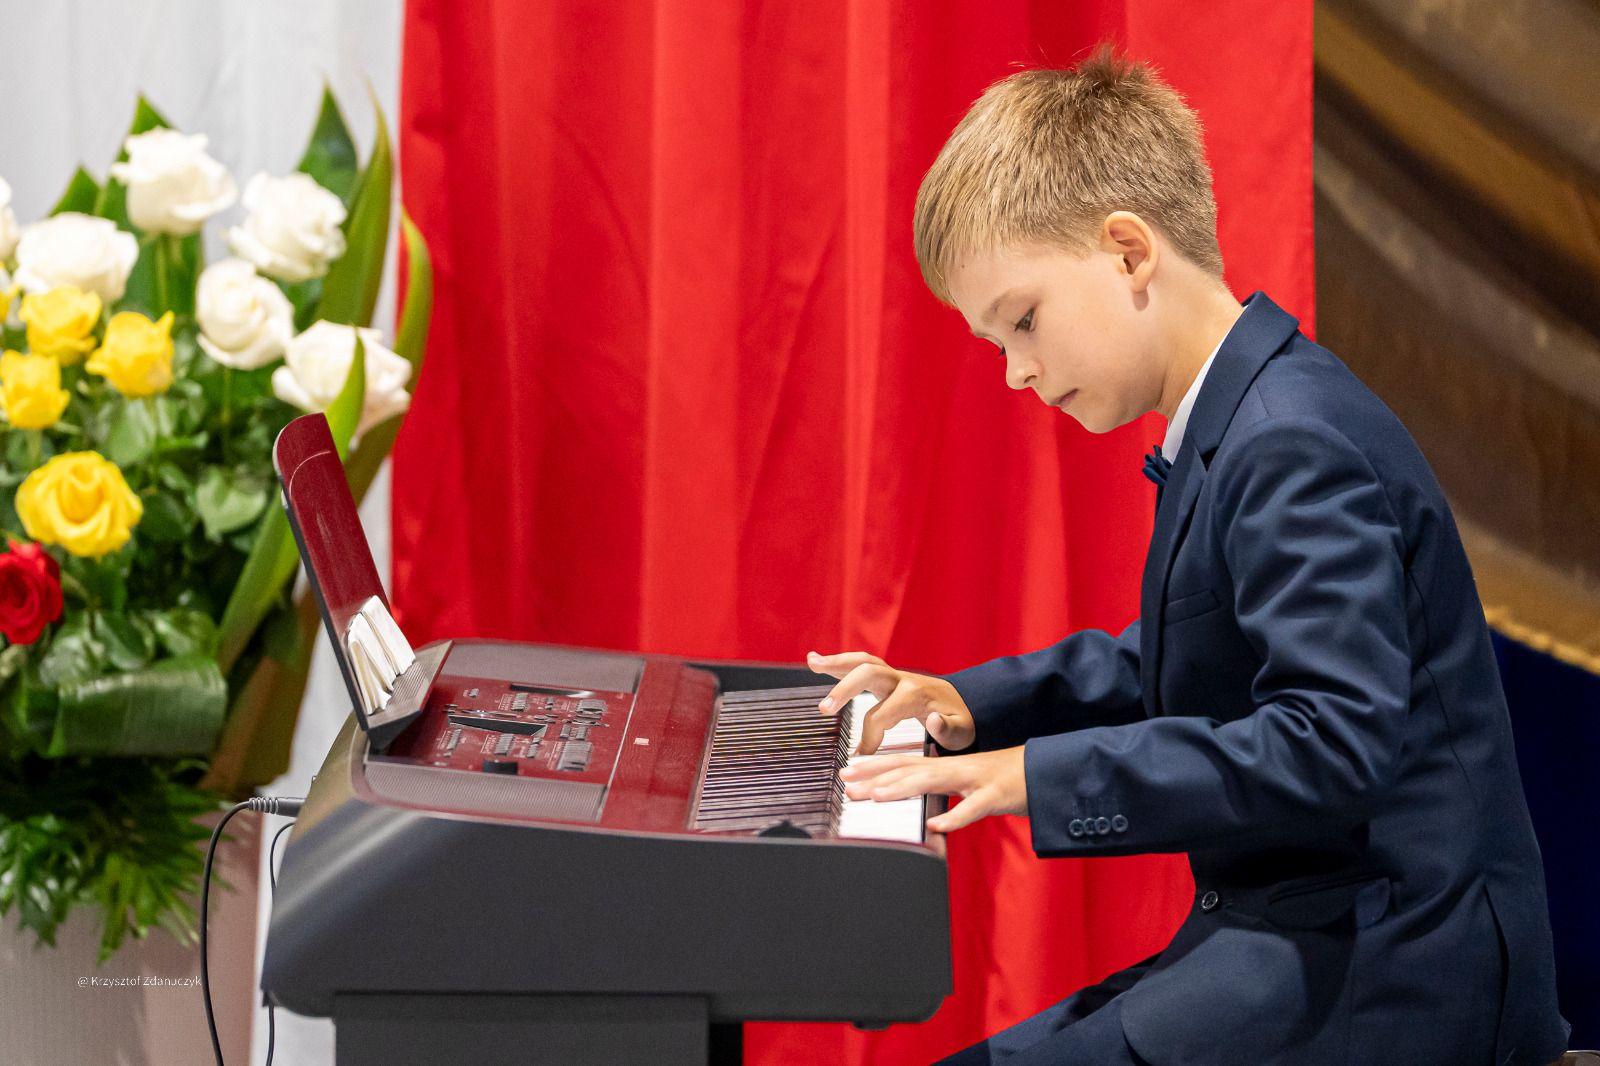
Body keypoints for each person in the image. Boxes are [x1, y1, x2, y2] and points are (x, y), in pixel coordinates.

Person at [807, 44, 1570, 1066]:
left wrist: (1039, 775)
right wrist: (968, 704)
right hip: (1309, 935)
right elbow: (1175, 656)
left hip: (1398, 970)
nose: (1016, 372)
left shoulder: (1289, 439)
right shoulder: (1239, 415)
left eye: (1022, 321)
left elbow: (1330, 743)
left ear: (1129, 251)